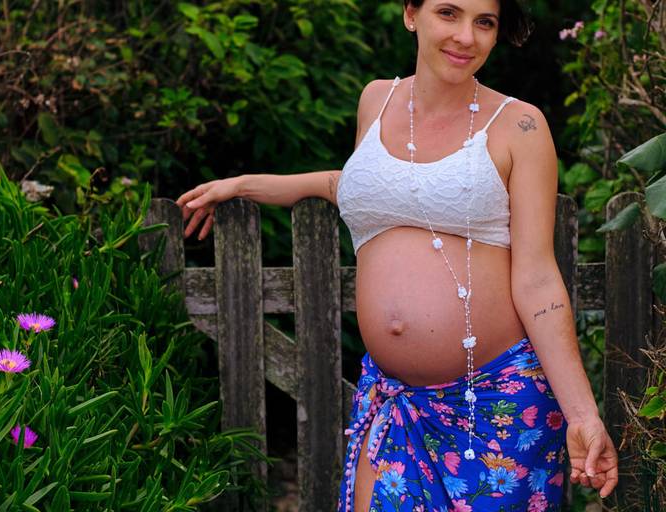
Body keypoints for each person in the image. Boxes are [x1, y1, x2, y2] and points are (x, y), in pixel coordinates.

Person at [175, 0, 619, 509]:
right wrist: (247, 184)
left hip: (497, 405)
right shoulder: (377, 100)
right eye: (448, 13)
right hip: (394, 400)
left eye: (484, 22)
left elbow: (538, 276)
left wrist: (583, 415)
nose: (466, 37)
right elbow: (365, 184)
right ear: (412, 13)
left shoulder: (520, 126)